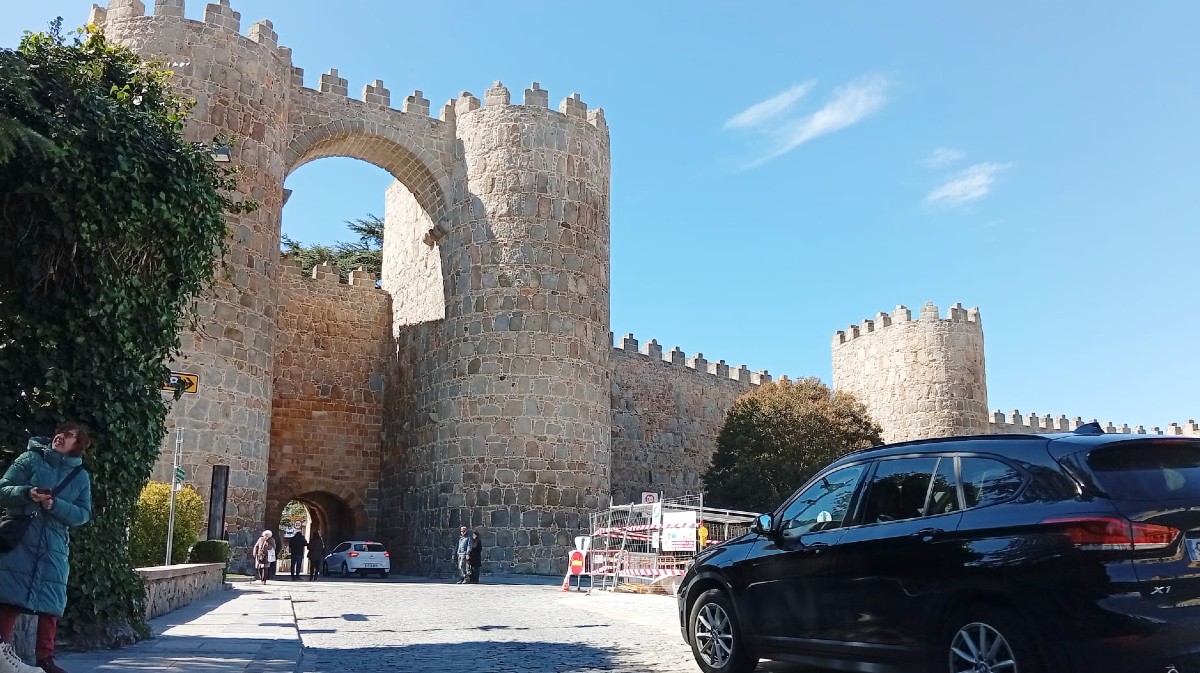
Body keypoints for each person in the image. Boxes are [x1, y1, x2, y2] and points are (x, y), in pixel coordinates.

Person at [0, 422, 93, 673]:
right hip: (20, 539)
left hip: (53, 545)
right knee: (8, 597)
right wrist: (27, 493)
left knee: (51, 604)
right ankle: (0, 652)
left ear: (78, 447)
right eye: (62, 432)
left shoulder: (80, 476)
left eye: (71, 436)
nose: (62, 436)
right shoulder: (30, 459)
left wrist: (55, 506)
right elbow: (2, 490)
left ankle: (46, 658)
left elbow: (83, 514)